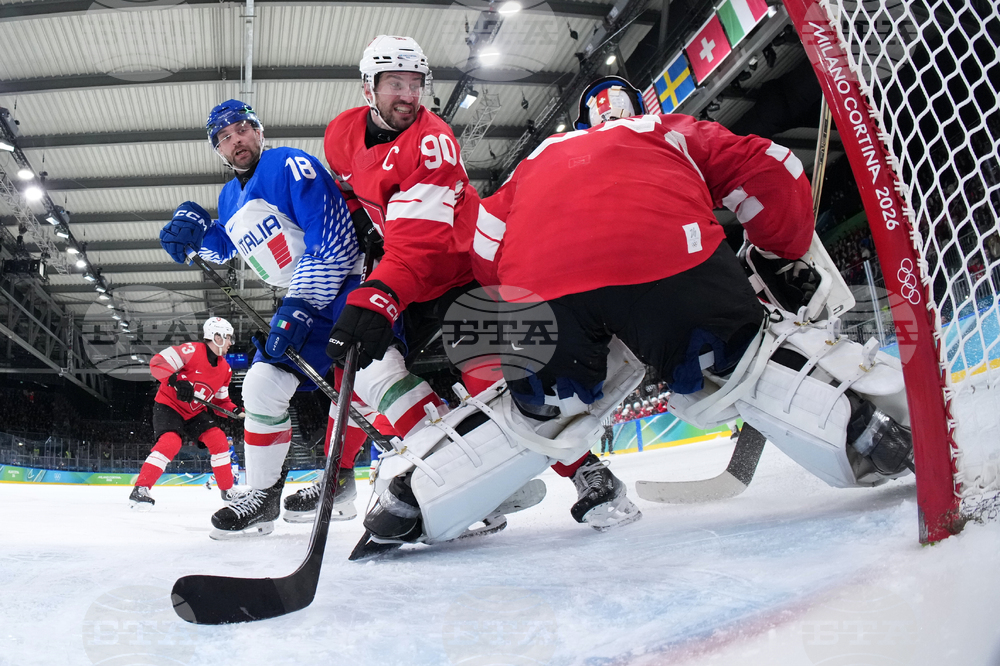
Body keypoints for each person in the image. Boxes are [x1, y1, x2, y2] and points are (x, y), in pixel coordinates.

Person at [468, 75, 913, 492]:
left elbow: (484, 240)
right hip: (670, 265)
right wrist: (778, 250)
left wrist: (522, 294)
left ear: (582, 121)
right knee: (742, 362)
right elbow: (772, 167)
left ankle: (413, 497)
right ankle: (870, 432)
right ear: (639, 106)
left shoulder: (534, 160)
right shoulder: (663, 129)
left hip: (542, 295)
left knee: (545, 413)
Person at [323, 35, 635, 538]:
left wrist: (378, 295)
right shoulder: (341, 134)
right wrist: (363, 222)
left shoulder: (432, 143)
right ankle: (452, 467)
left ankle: (588, 471)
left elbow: (421, 249)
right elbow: (347, 187)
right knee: (365, 372)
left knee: (493, 380)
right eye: (394, 84)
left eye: (415, 84)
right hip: (407, 271)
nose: (407, 95)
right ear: (368, 88)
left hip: (463, 265)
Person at [158, 100, 445, 538]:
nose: (235, 139)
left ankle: (451, 464)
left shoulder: (289, 163)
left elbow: (333, 240)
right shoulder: (229, 195)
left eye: (241, 129)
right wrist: (198, 237)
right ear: (218, 149)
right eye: (224, 137)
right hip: (302, 296)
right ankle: (263, 495)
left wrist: (300, 305)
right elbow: (236, 247)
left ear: (258, 131)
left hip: (346, 286)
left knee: (374, 376)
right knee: (260, 384)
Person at [129, 317, 243, 510]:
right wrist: (176, 380)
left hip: (194, 412)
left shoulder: (225, 369)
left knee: (219, 439)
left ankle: (228, 491)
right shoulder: (190, 351)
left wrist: (236, 410)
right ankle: (140, 489)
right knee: (171, 442)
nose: (231, 343)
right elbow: (157, 363)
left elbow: (220, 401)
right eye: (228, 337)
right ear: (217, 337)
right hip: (169, 405)